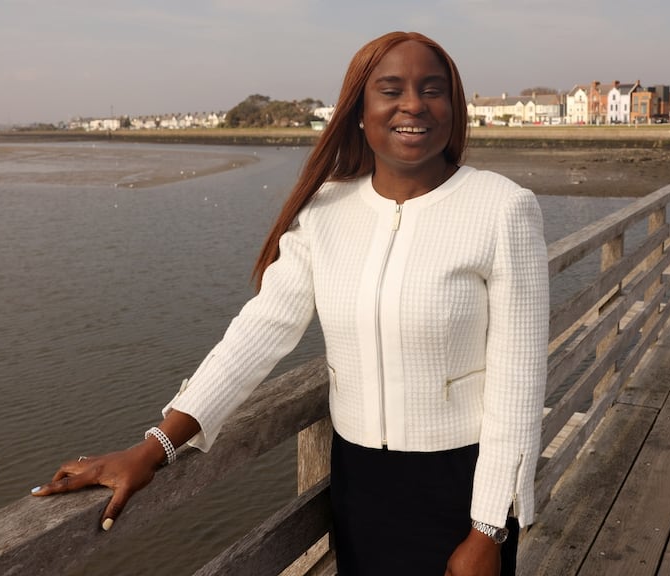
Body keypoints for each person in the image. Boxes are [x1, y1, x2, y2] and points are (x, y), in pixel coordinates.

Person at [31, 31, 548, 576]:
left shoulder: (501, 209)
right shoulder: (326, 210)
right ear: (358, 112)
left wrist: (489, 525)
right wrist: (154, 447)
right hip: (360, 482)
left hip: (460, 487)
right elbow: (258, 335)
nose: (413, 105)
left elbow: (518, 381)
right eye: (391, 89)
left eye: (433, 90)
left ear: (453, 106)